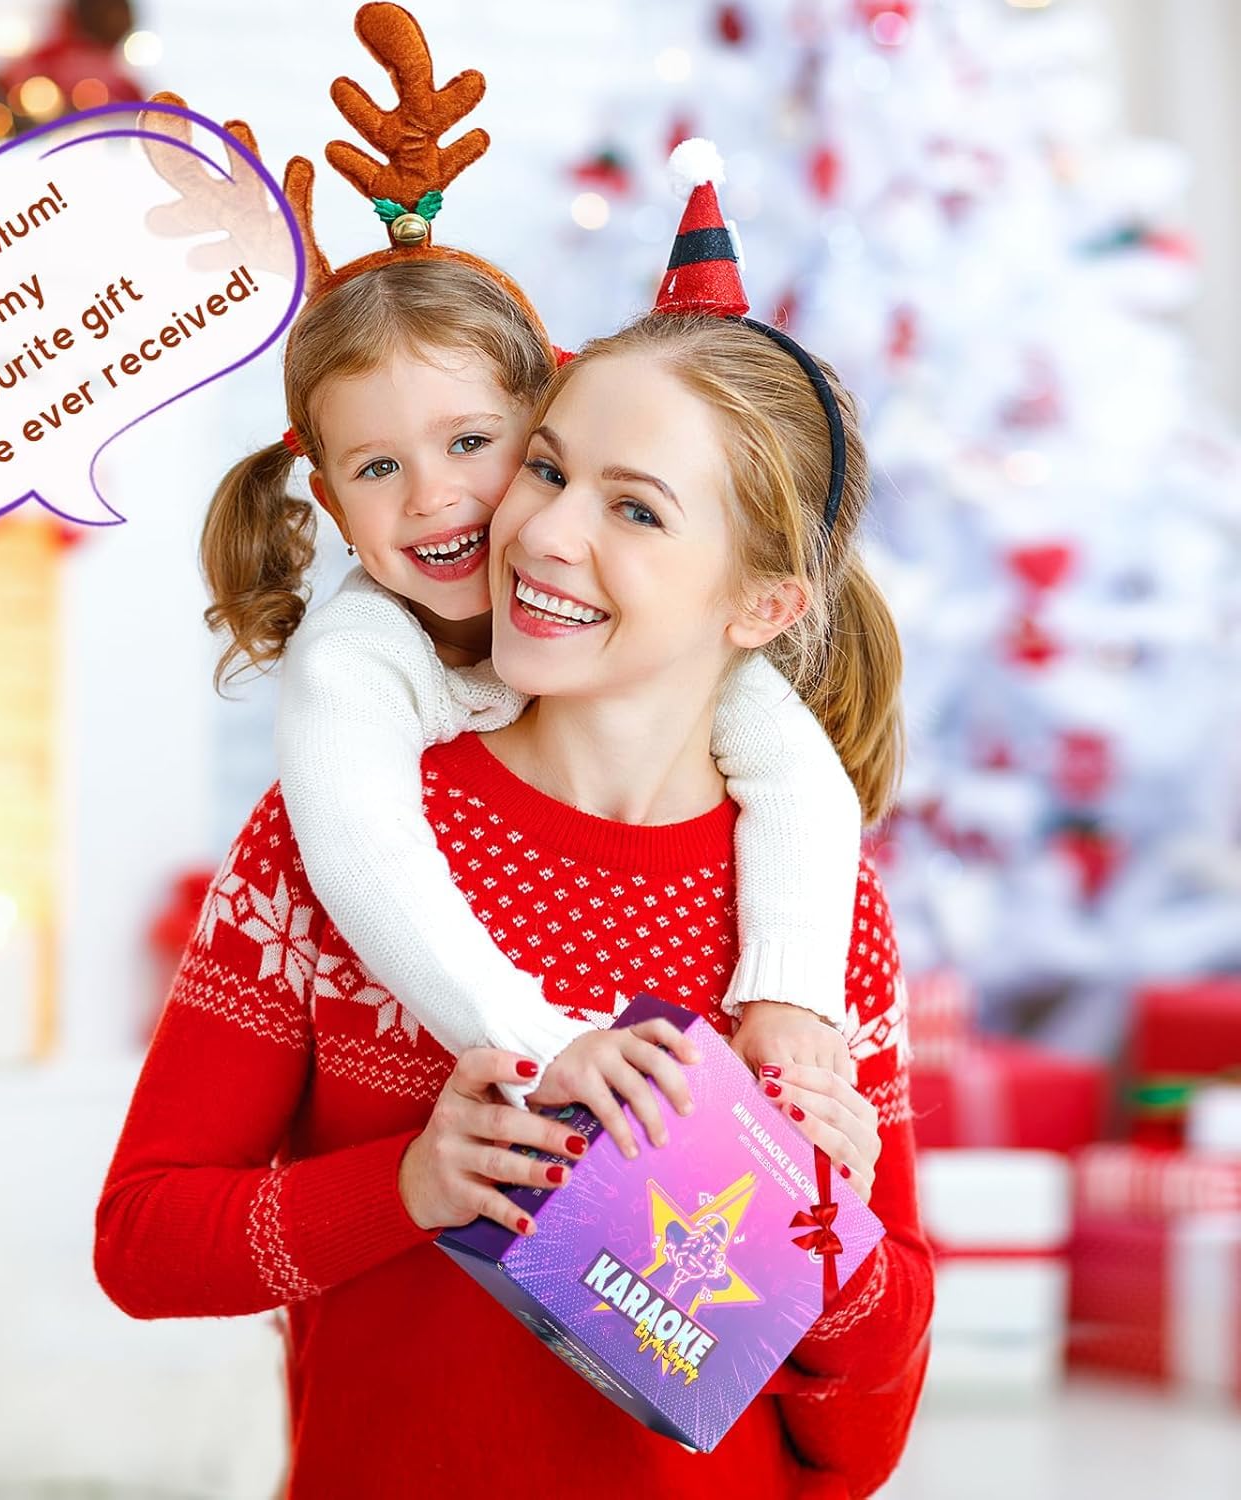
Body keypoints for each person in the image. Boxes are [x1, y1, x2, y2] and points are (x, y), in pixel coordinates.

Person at [95, 136, 933, 1499]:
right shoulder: (321, 842)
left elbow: (858, 1445)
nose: (540, 533)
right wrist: (411, 1188)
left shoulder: (817, 916)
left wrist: (821, 1228)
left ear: (761, 607)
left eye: (635, 510)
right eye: (544, 468)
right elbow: (144, 1244)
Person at [190, 7, 862, 1128]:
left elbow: (803, 785)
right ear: (328, 500)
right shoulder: (358, 659)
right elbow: (366, 853)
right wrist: (536, 1047)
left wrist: (792, 996)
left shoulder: (754, 774)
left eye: (475, 446)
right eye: (375, 467)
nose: (435, 497)